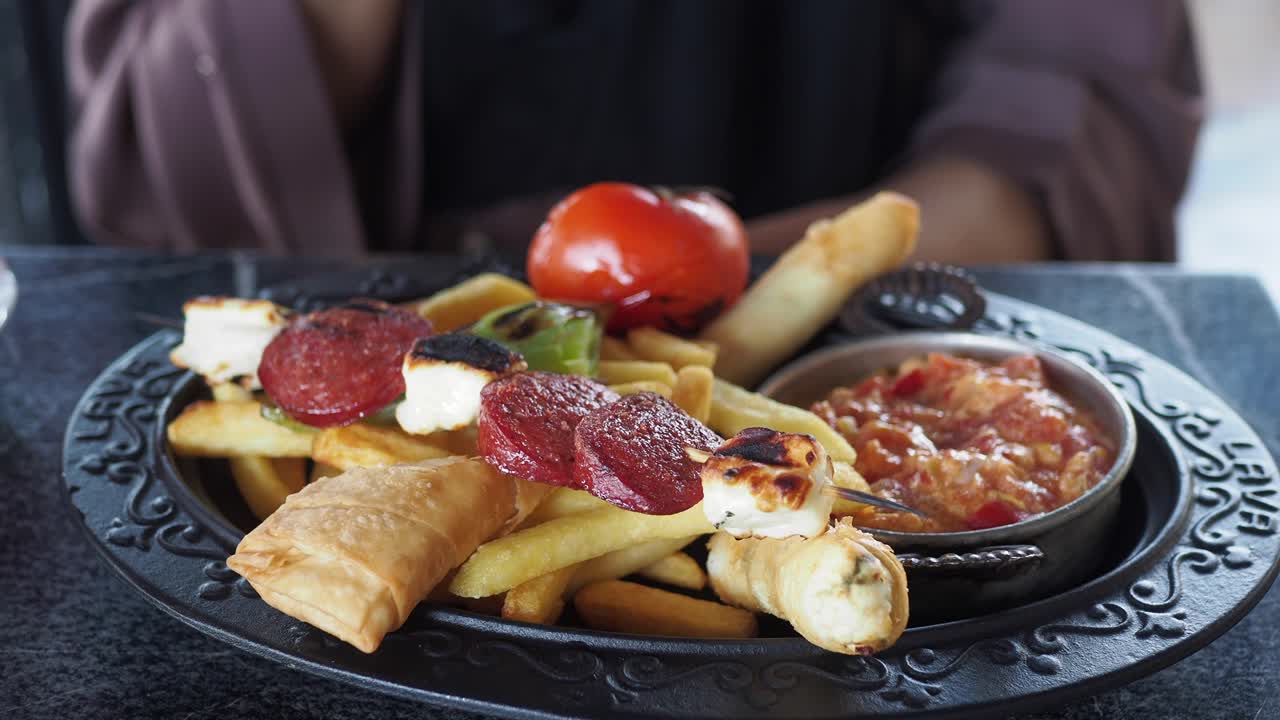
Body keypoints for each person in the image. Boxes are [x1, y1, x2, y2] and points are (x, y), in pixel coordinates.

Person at [66, 1, 1201, 262]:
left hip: (853, 353)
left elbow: (1073, 98)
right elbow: (164, 203)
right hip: (391, 369)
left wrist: (765, 300)